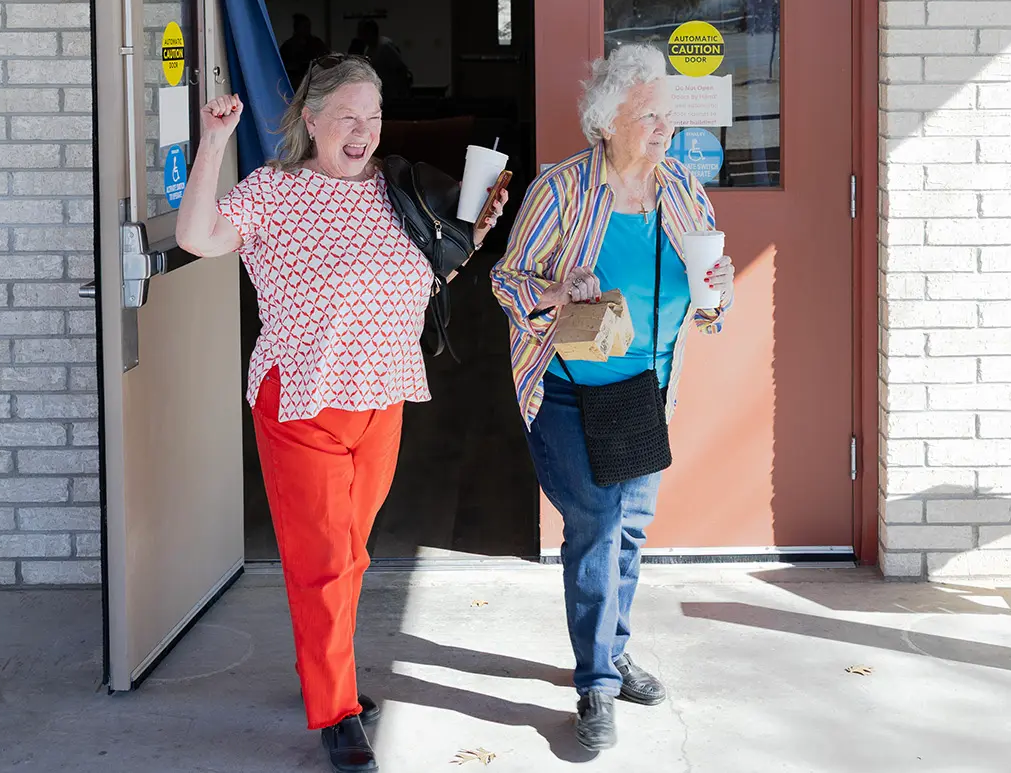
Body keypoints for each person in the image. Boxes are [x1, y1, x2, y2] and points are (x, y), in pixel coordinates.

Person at [177, 56, 507, 773]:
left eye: (375, 116)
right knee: (324, 561)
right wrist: (211, 143)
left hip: (379, 396)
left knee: (350, 556)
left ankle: (329, 674)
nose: (365, 132)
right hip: (301, 399)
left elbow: (431, 274)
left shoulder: (397, 192)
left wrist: (472, 231)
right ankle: (335, 712)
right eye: (349, 117)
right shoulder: (274, 190)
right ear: (312, 119)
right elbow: (198, 236)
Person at [490, 43, 734, 752]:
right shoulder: (564, 190)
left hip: (648, 393)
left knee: (629, 528)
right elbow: (508, 279)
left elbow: (708, 288)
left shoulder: (684, 188)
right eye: (648, 114)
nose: (664, 127)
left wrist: (717, 287)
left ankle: (614, 651)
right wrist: (558, 290)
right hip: (570, 390)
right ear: (607, 120)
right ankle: (595, 681)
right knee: (596, 527)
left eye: (668, 114)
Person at [348, 18, 414, 100]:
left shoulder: (385, 46)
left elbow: (400, 68)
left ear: (370, 32)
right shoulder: (368, 49)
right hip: (381, 92)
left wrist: (402, 93)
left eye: (363, 33)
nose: (361, 36)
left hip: (393, 93)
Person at [279, 12, 329, 90]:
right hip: (296, 82)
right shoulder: (289, 45)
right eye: (304, 26)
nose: (307, 29)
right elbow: (284, 65)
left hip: (314, 80)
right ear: (297, 28)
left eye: (308, 26)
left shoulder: (316, 43)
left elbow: (325, 58)